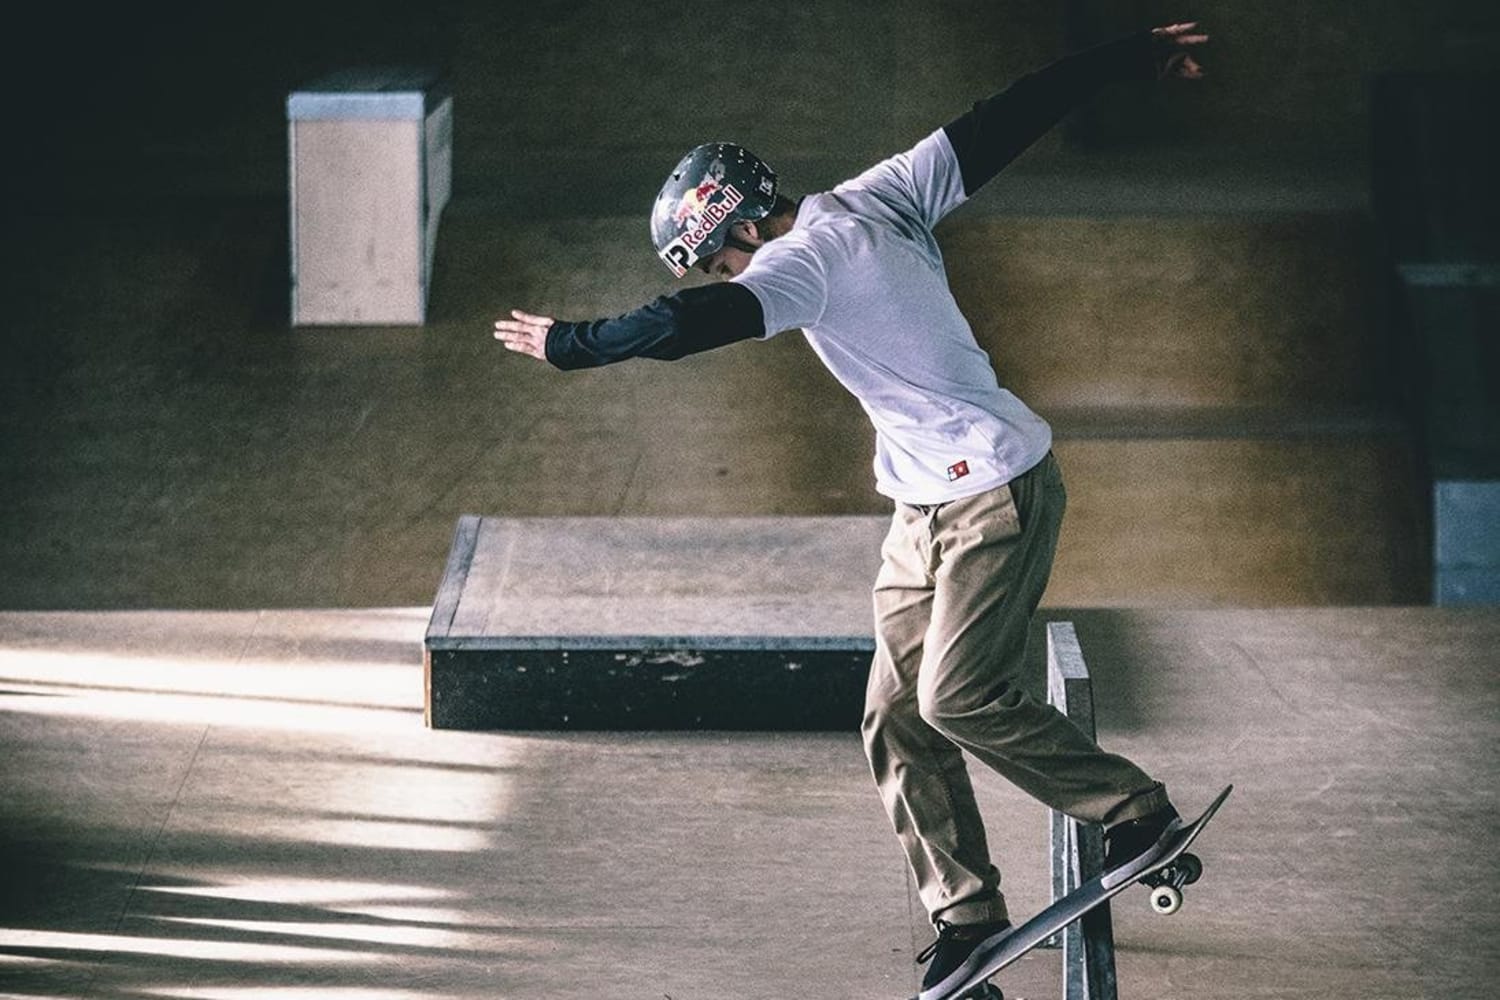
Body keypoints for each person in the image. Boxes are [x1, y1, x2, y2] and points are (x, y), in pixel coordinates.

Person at [496, 21, 1209, 999]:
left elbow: (681, 325)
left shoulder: (800, 264)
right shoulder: (883, 191)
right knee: (892, 716)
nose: (729, 277)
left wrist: (572, 344)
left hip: (991, 493)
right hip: (924, 506)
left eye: (718, 260)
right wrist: (1131, 56)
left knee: (957, 697)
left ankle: (1134, 809)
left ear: (741, 229)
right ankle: (966, 917)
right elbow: (1008, 116)